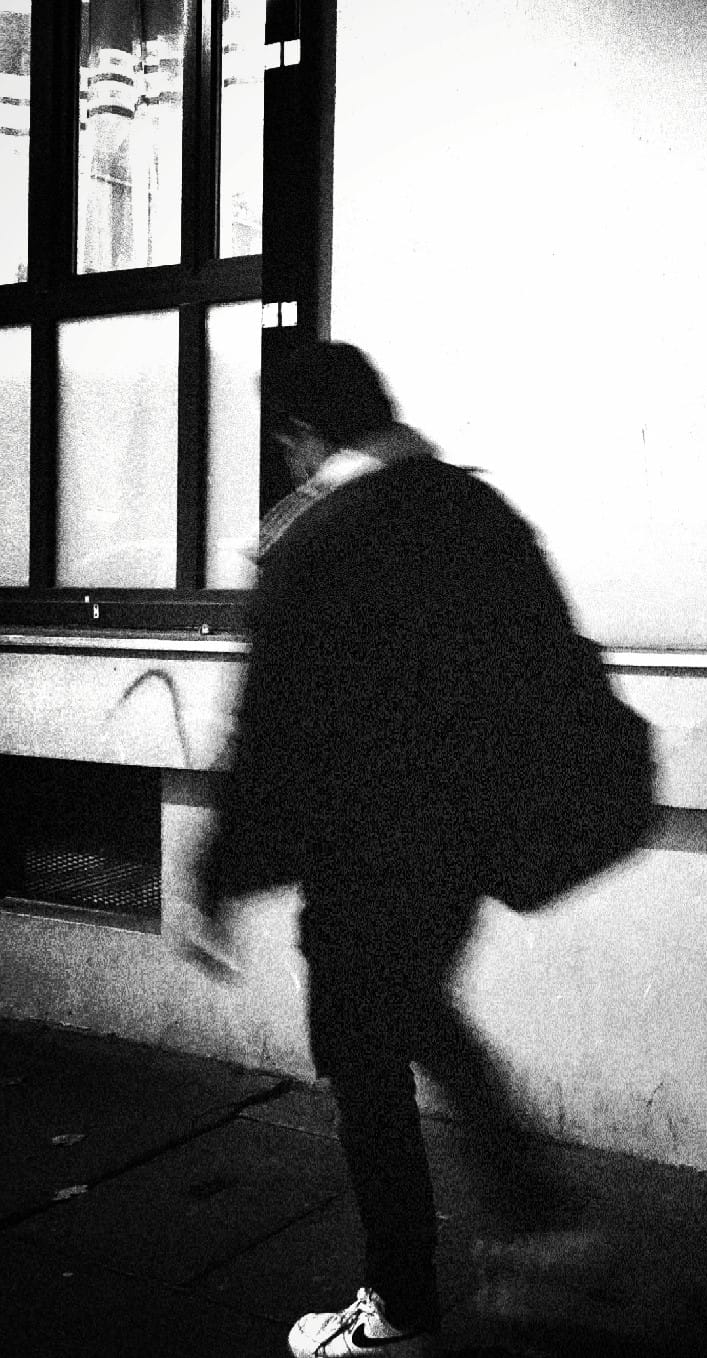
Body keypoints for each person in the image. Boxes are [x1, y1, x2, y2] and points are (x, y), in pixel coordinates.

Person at [177, 342, 586, 1358]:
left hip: (358, 855)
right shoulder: (474, 510)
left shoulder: (318, 533)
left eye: (286, 443)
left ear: (302, 433)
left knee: (366, 1061)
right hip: (459, 848)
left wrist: (214, 875)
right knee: (421, 1017)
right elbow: (545, 663)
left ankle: (401, 1305)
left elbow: (266, 724)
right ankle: (544, 1228)